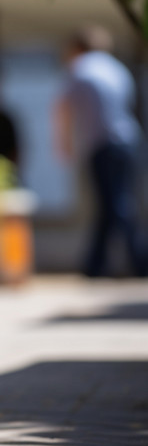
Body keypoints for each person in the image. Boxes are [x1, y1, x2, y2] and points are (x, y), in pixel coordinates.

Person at [55, 25, 147, 277]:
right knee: (111, 204)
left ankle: (140, 261)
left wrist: (64, 143)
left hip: (102, 144)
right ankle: (95, 264)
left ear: (78, 47)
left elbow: (62, 105)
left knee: (117, 204)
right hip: (129, 141)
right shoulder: (117, 70)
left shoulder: (81, 68)